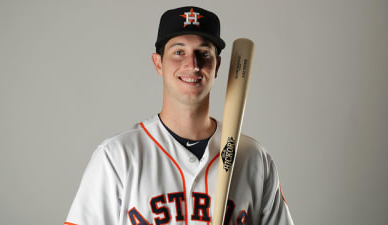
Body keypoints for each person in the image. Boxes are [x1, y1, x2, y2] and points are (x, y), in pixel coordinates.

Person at [64, 6, 294, 225]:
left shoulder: (255, 158)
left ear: (217, 66)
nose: (192, 64)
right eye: (179, 52)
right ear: (158, 63)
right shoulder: (117, 157)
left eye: (203, 53)